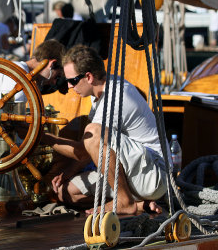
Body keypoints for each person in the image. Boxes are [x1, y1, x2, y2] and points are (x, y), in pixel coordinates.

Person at [41, 45, 168, 215]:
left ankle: (123, 201)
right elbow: (88, 151)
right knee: (67, 193)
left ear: (89, 77)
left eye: (72, 81)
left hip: (153, 175)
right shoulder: (100, 95)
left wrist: (41, 137)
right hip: (135, 172)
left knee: (93, 131)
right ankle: (137, 204)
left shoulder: (115, 96)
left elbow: (81, 149)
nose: (70, 87)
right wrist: (68, 172)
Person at [0, 39, 66, 158]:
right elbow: (13, 124)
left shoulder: (19, 71)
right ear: (52, 64)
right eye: (58, 76)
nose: (54, 82)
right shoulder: (18, 76)